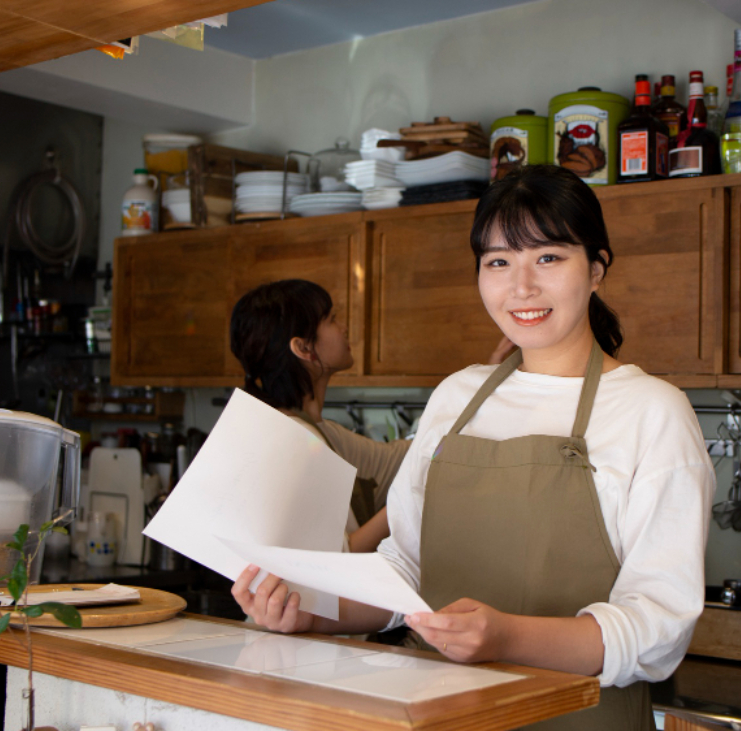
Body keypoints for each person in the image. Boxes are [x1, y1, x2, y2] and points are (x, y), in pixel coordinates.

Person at [233, 165, 715, 731]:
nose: (522, 287)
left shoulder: (652, 412)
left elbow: (658, 629)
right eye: (498, 262)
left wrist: (508, 637)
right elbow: (405, 573)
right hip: (435, 716)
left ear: (597, 269)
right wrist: (307, 614)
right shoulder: (455, 398)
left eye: (550, 258)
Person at [230, 279, 409, 552]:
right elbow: (336, 560)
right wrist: (409, 502)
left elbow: (397, 460)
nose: (344, 327)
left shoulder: (314, 431)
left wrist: (480, 391)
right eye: (332, 319)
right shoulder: (294, 440)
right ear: (303, 348)